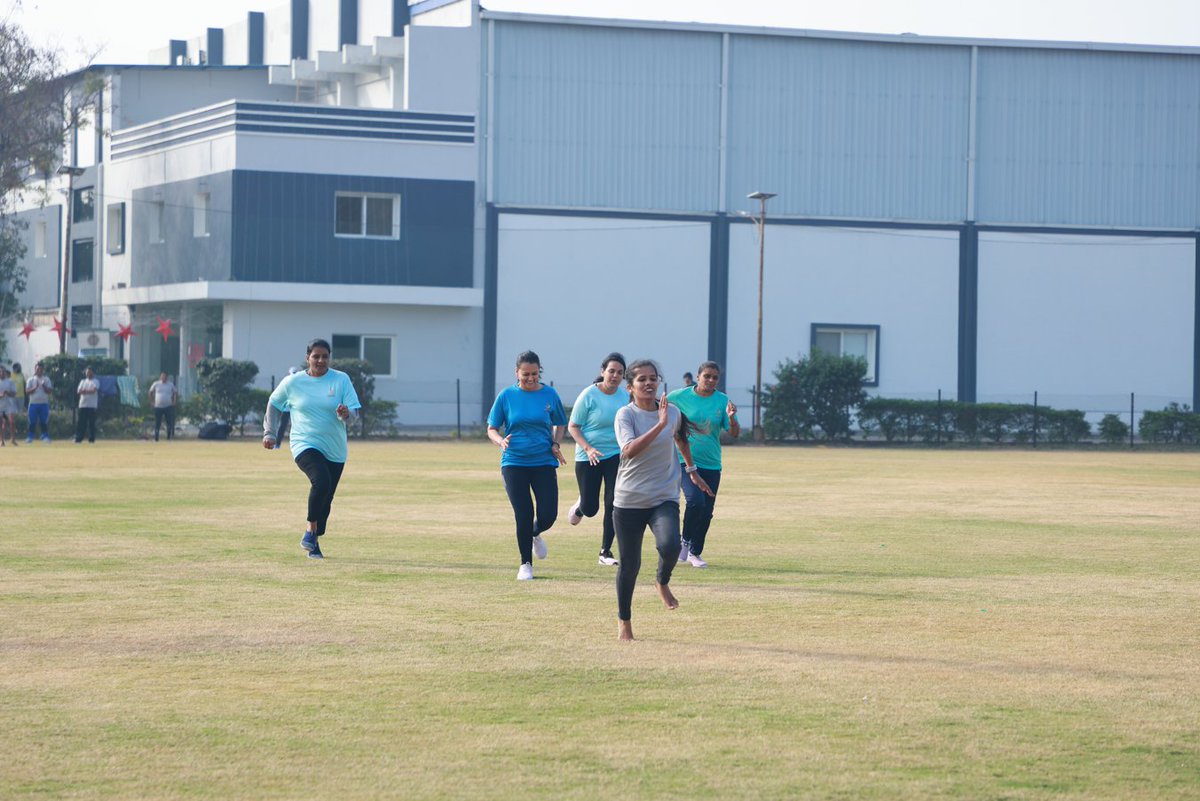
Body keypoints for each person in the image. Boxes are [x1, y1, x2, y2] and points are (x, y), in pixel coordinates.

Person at [612, 359, 711, 642]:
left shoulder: (673, 412)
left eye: (653, 378)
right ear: (630, 387)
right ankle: (625, 624)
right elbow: (629, 450)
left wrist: (692, 472)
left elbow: (681, 439)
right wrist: (660, 425)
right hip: (629, 500)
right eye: (641, 379)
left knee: (670, 546)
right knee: (629, 565)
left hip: (663, 496)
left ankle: (661, 581)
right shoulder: (625, 415)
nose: (649, 383)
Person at [262, 338, 361, 559]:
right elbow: (274, 403)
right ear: (307, 358)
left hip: (335, 448)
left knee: (326, 498)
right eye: (316, 356)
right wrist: (269, 432)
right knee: (321, 481)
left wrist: (346, 414)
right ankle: (309, 530)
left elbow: (354, 416)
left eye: (325, 356)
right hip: (304, 444)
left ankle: (314, 539)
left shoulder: (341, 380)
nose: (320, 360)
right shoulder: (293, 382)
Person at [487, 350, 567, 581]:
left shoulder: (550, 394)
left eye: (534, 374)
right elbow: (492, 428)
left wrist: (555, 442)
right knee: (523, 513)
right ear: (516, 373)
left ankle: (534, 533)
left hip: (543, 461)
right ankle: (525, 564)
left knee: (548, 515)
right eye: (525, 375)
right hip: (514, 462)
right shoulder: (506, 396)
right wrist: (500, 440)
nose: (531, 378)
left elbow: (560, 423)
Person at [667, 360, 740, 568]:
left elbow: (733, 433)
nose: (710, 380)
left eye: (715, 377)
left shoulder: (722, 400)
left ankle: (694, 552)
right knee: (695, 501)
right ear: (698, 377)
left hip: (712, 463)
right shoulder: (678, 397)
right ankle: (685, 543)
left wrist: (732, 419)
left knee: (707, 510)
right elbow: (660, 410)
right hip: (685, 461)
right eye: (706, 376)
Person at [567, 352, 628, 566]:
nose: (615, 376)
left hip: (615, 455)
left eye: (620, 373)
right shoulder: (588, 395)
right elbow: (572, 427)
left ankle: (605, 552)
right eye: (611, 371)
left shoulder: (624, 396)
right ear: (602, 372)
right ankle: (579, 507)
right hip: (588, 456)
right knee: (591, 508)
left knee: (614, 502)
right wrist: (588, 448)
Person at [25, 362, 52, 443]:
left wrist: (43, 386)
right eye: (38, 369)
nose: (39, 370)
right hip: (33, 404)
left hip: (44, 404)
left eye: (41, 369)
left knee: (43, 421)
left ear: (43, 370)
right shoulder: (31, 379)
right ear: (35, 369)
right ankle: (30, 437)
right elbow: (27, 391)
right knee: (32, 421)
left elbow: (49, 391)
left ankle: (45, 436)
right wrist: (35, 387)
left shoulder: (46, 379)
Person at [148, 372, 178, 442]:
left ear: (167, 377)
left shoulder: (170, 384)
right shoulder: (156, 383)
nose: (163, 378)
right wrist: (151, 402)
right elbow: (150, 392)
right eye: (162, 376)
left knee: (169, 422)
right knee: (158, 422)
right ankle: (156, 438)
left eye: (165, 376)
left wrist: (174, 401)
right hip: (158, 406)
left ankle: (168, 437)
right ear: (160, 377)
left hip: (168, 406)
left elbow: (175, 392)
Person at [74, 366, 100, 443]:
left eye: (90, 372)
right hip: (82, 405)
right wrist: (87, 391)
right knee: (81, 423)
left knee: (91, 423)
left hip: (92, 406)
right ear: (85, 373)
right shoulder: (82, 381)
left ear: (93, 372)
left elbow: (94, 391)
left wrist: (84, 391)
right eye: (87, 372)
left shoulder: (96, 381)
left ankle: (91, 439)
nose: (88, 373)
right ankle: (78, 438)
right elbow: (79, 391)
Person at [0, 366, 17, 446]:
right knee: (2, 423)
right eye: (0, 372)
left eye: (3, 372)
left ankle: (13, 439)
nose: (2, 373)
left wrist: (8, 393)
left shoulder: (10, 382)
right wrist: (2, 395)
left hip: (9, 405)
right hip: (1, 406)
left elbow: (14, 393)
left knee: (12, 422)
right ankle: (2, 441)